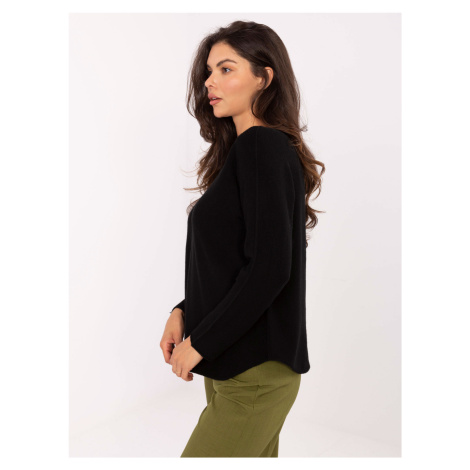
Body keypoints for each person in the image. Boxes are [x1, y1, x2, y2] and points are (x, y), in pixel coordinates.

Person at [160, 20, 325, 457]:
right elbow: (236, 263)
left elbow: (269, 269)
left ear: (264, 78)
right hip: (236, 366)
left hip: (253, 374)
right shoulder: (247, 152)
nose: (209, 82)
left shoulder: (261, 147)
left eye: (226, 69)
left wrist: (201, 342)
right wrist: (184, 311)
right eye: (209, 71)